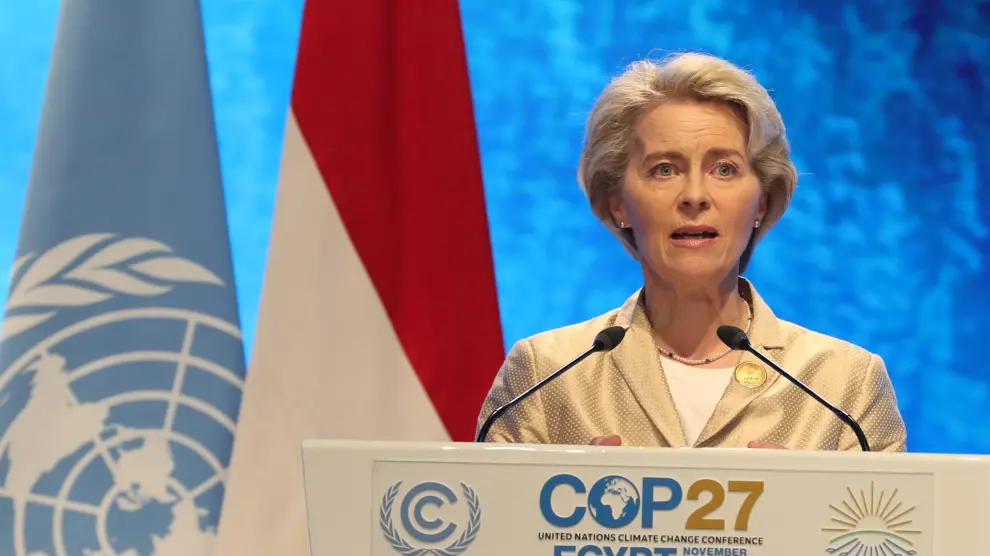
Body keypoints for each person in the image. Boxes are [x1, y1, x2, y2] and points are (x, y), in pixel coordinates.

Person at [475, 53, 907, 452]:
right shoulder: (547, 375)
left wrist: (802, 502)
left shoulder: (844, 387)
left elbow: (889, 514)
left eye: (725, 169)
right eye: (664, 169)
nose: (695, 195)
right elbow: (491, 511)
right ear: (618, 203)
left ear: (761, 202)